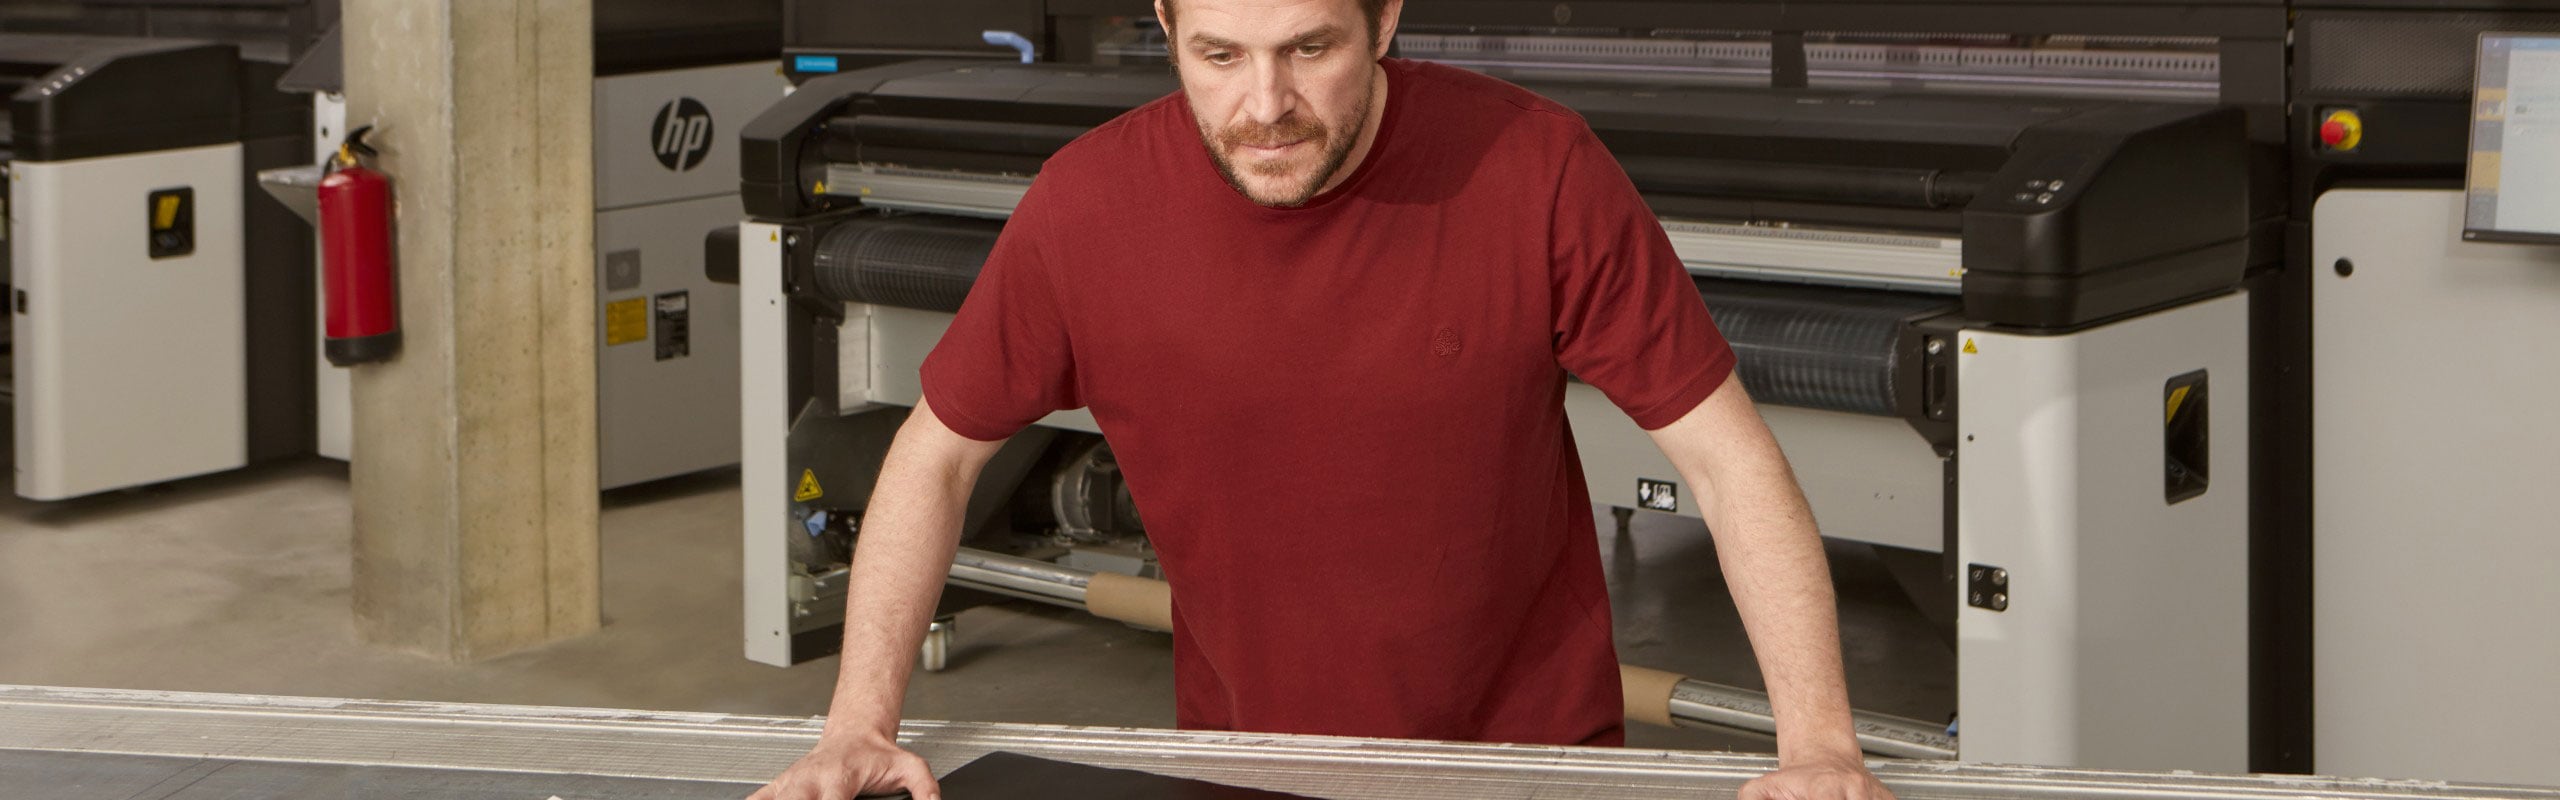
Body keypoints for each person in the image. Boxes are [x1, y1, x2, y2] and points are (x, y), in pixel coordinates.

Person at [753, 1, 1899, 798]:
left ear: (1387, 19)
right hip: (1248, 763)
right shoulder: (1086, 210)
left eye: (1310, 48)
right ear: (1163, 25)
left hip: (1526, 762)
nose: (1265, 103)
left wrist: (1818, 740)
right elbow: (936, 454)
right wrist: (860, 719)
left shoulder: (1535, 169)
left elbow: (1727, 459)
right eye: (1217, 54)